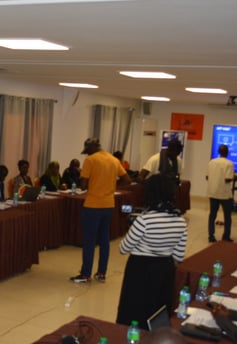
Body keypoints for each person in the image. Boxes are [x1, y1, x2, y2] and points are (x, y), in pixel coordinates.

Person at [116, 174, 186, 327]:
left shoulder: (144, 220)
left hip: (140, 268)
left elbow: (123, 248)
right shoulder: (180, 221)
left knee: (133, 310)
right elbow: (179, 255)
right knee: (157, 310)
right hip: (165, 269)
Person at [71, 137, 128, 284]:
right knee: (104, 240)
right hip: (109, 205)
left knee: (89, 241)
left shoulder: (91, 160)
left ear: (91, 148)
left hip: (92, 205)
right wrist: (112, 187)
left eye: (87, 151)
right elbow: (127, 180)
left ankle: (85, 274)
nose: (86, 154)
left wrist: (81, 175)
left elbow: (83, 186)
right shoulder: (114, 160)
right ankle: (101, 273)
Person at [206, 144, 234, 242]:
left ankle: (211, 236)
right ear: (227, 152)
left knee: (212, 215)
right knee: (227, 216)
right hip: (224, 194)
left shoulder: (211, 162)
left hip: (213, 192)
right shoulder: (229, 164)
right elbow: (227, 179)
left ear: (218, 152)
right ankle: (226, 236)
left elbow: (207, 177)